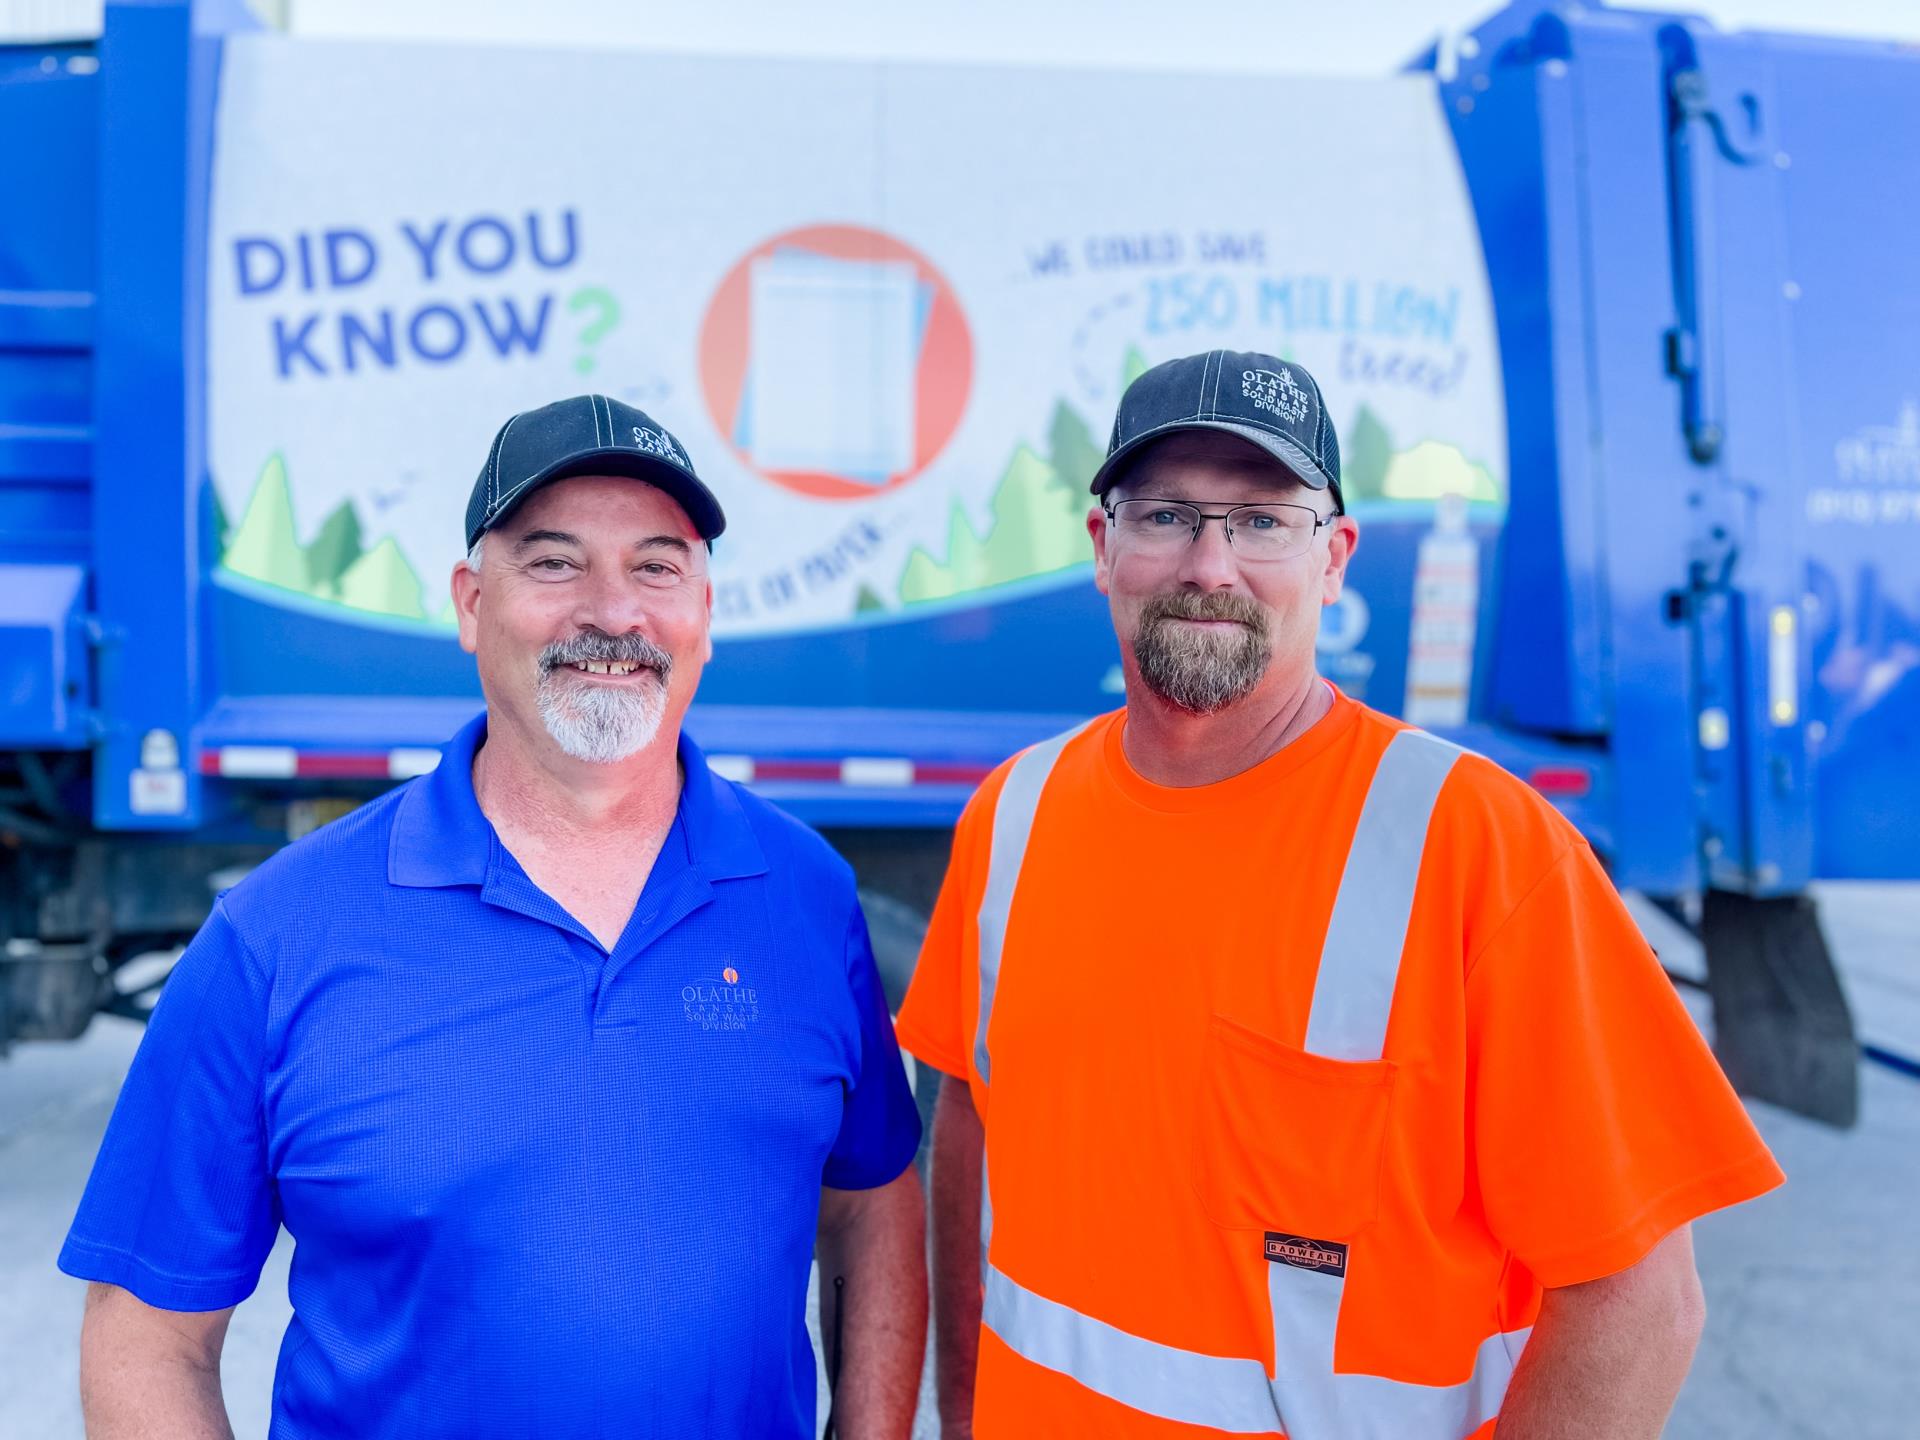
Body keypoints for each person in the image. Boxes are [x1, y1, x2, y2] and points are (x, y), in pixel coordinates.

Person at [895, 349, 1784, 1439]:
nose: (1211, 564)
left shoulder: (1480, 848)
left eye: (1265, 520)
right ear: (1103, 547)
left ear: (1334, 558)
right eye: (1167, 514)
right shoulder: (1014, 817)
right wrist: (965, 1413)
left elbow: (1642, 1305)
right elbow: (972, 1128)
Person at [61, 395, 927, 1439]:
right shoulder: (279, 935)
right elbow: (146, 1333)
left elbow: (870, 1203)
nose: (613, 612)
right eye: (555, 563)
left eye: (656, 566)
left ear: (703, 611)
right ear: (473, 602)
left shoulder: (805, 901)